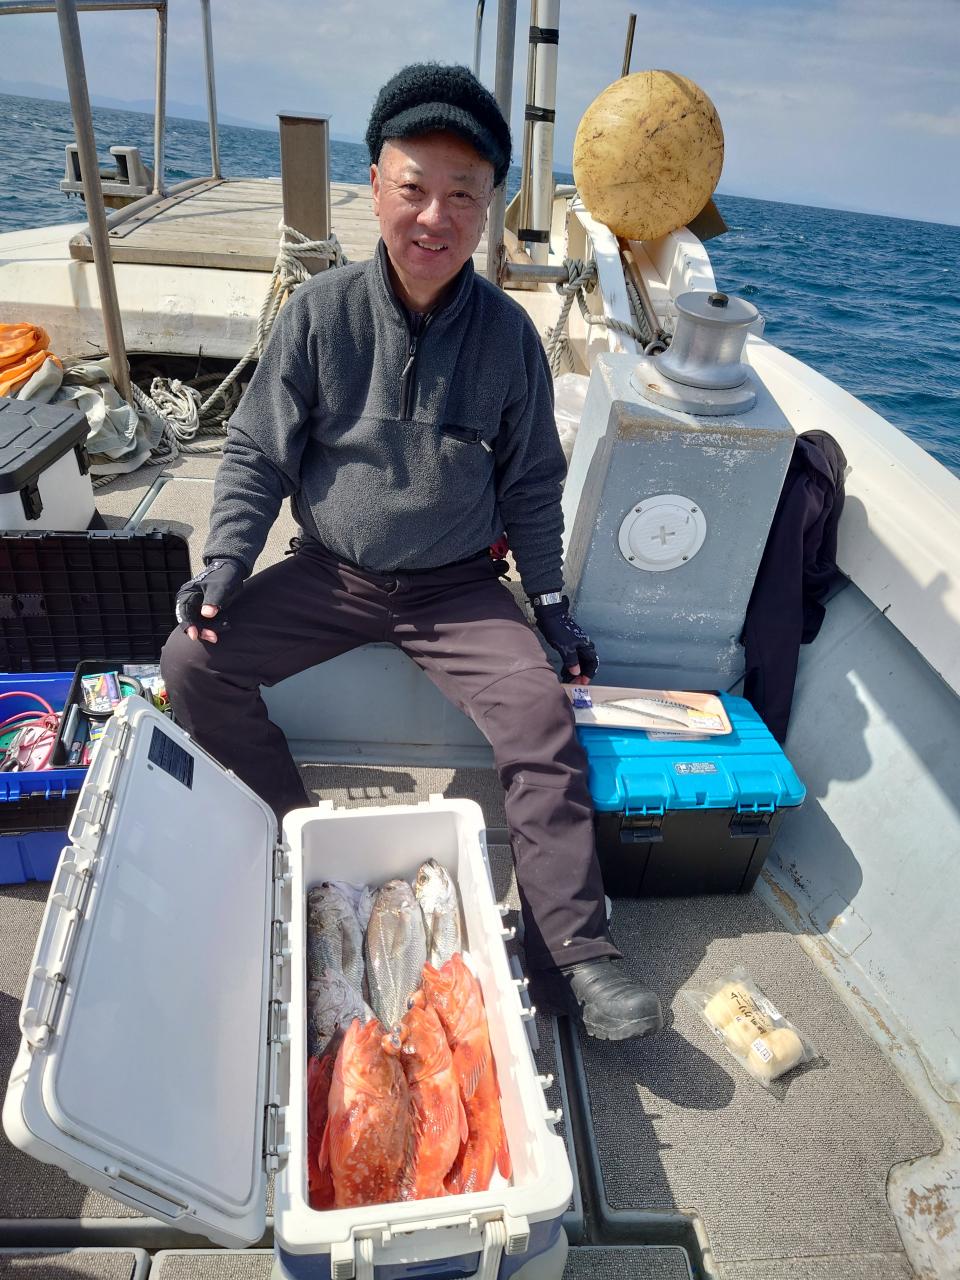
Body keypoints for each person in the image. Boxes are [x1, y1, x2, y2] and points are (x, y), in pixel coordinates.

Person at [161, 63, 663, 1042]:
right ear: (375, 186)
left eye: (462, 195)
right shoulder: (319, 313)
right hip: (329, 572)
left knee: (540, 717)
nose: (435, 217)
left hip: (457, 589)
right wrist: (226, 564)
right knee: (191, 659)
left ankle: (573, 950)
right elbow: (259, 453)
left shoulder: (510, 338)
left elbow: (531, 484)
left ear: (490, 207)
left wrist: (551, 606)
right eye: (414, 187)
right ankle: (295, 834)